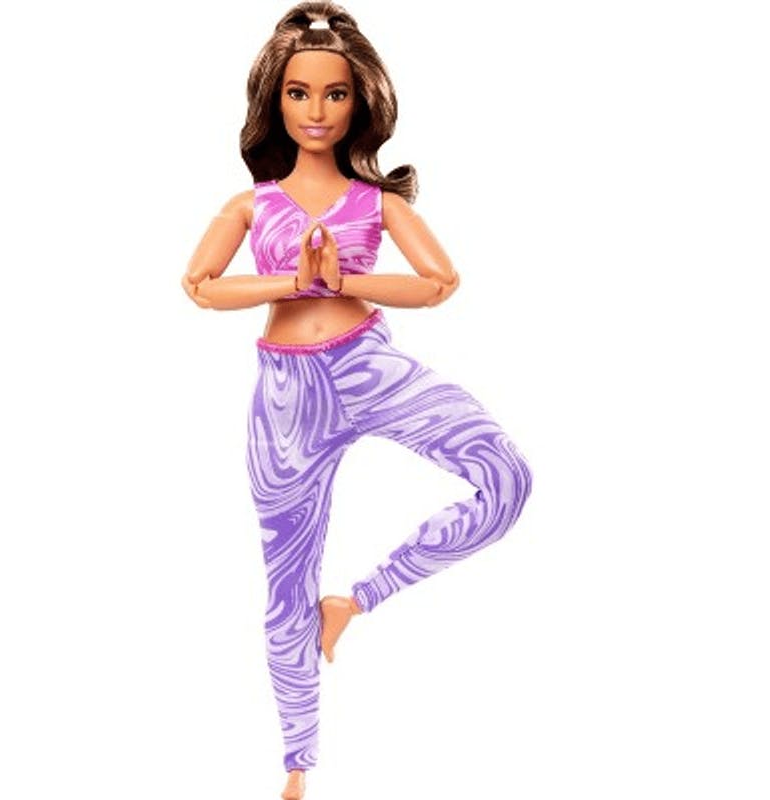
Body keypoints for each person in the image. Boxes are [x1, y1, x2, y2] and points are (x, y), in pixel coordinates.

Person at [181, 4, 533, 798]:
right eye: (299, 93)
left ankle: (357, 602)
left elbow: (440, 281)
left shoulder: (377, 203)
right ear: (275, 100)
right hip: (286, 397)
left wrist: (346, 280)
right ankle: (297, 765)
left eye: (334, 94)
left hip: (369, 366)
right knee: (284, 585)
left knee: (506, 475)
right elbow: (198, 284)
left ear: (359, 101)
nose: (317, 110)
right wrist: (292, 282)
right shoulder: (252, 205)